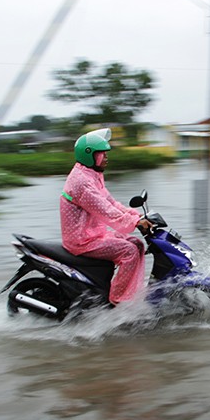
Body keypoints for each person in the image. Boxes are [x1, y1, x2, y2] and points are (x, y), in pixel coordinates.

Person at [59, 129, 152, 305]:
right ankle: (118, 301)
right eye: (102, 154)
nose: (106, 158)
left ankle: (131, 293)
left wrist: (136, 215)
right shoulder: (81, 182)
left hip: (93, 234)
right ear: (89, 155)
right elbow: (106, 211)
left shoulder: (90, 175)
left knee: (137, 244)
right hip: (82, 241)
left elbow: (111, 203)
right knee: (129, 251)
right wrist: (135, 222)